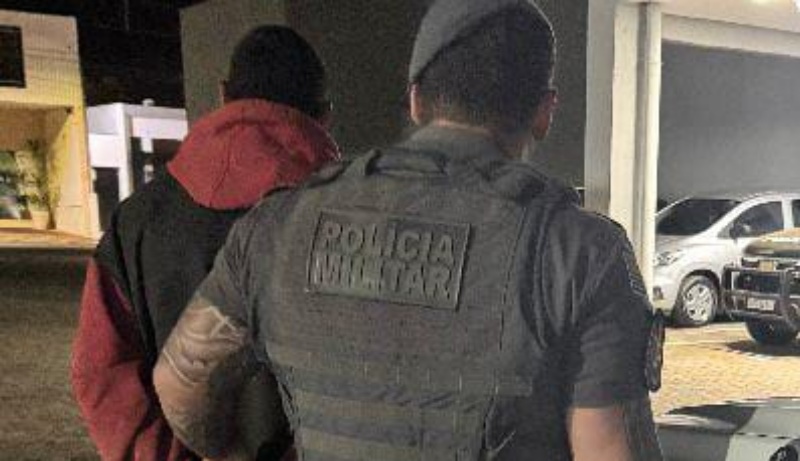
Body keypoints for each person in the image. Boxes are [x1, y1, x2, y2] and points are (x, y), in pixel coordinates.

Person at [153, 1, 665, 459]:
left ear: (417, 100)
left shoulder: (276, 227)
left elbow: (178, 386)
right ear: (544, 113)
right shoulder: (581, 253)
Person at [71, 25, 339, 461]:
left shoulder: (136, 221)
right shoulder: (352, 218)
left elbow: (100, 372)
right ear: (324, 113)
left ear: (223, 94)